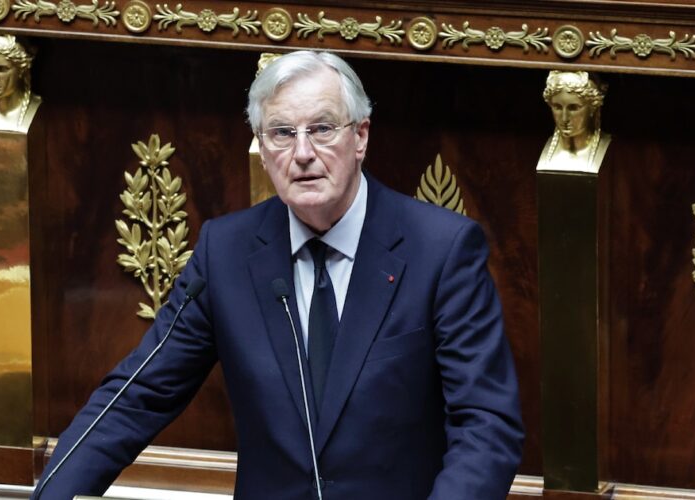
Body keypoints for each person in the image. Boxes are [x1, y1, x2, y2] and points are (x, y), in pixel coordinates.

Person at [34, 50, 523, 500]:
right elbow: (137, 395)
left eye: (323, 129)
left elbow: (486, 425)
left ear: (361, 137)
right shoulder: (226, 253)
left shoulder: (441, 249)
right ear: (263, 150)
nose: (303, 152)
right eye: (283, 133)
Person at [539, 70, 610, 173]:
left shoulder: (612, 151)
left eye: (573, 108)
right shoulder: (540, 148)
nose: (564, 118)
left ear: (592, 108)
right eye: (557, 107)